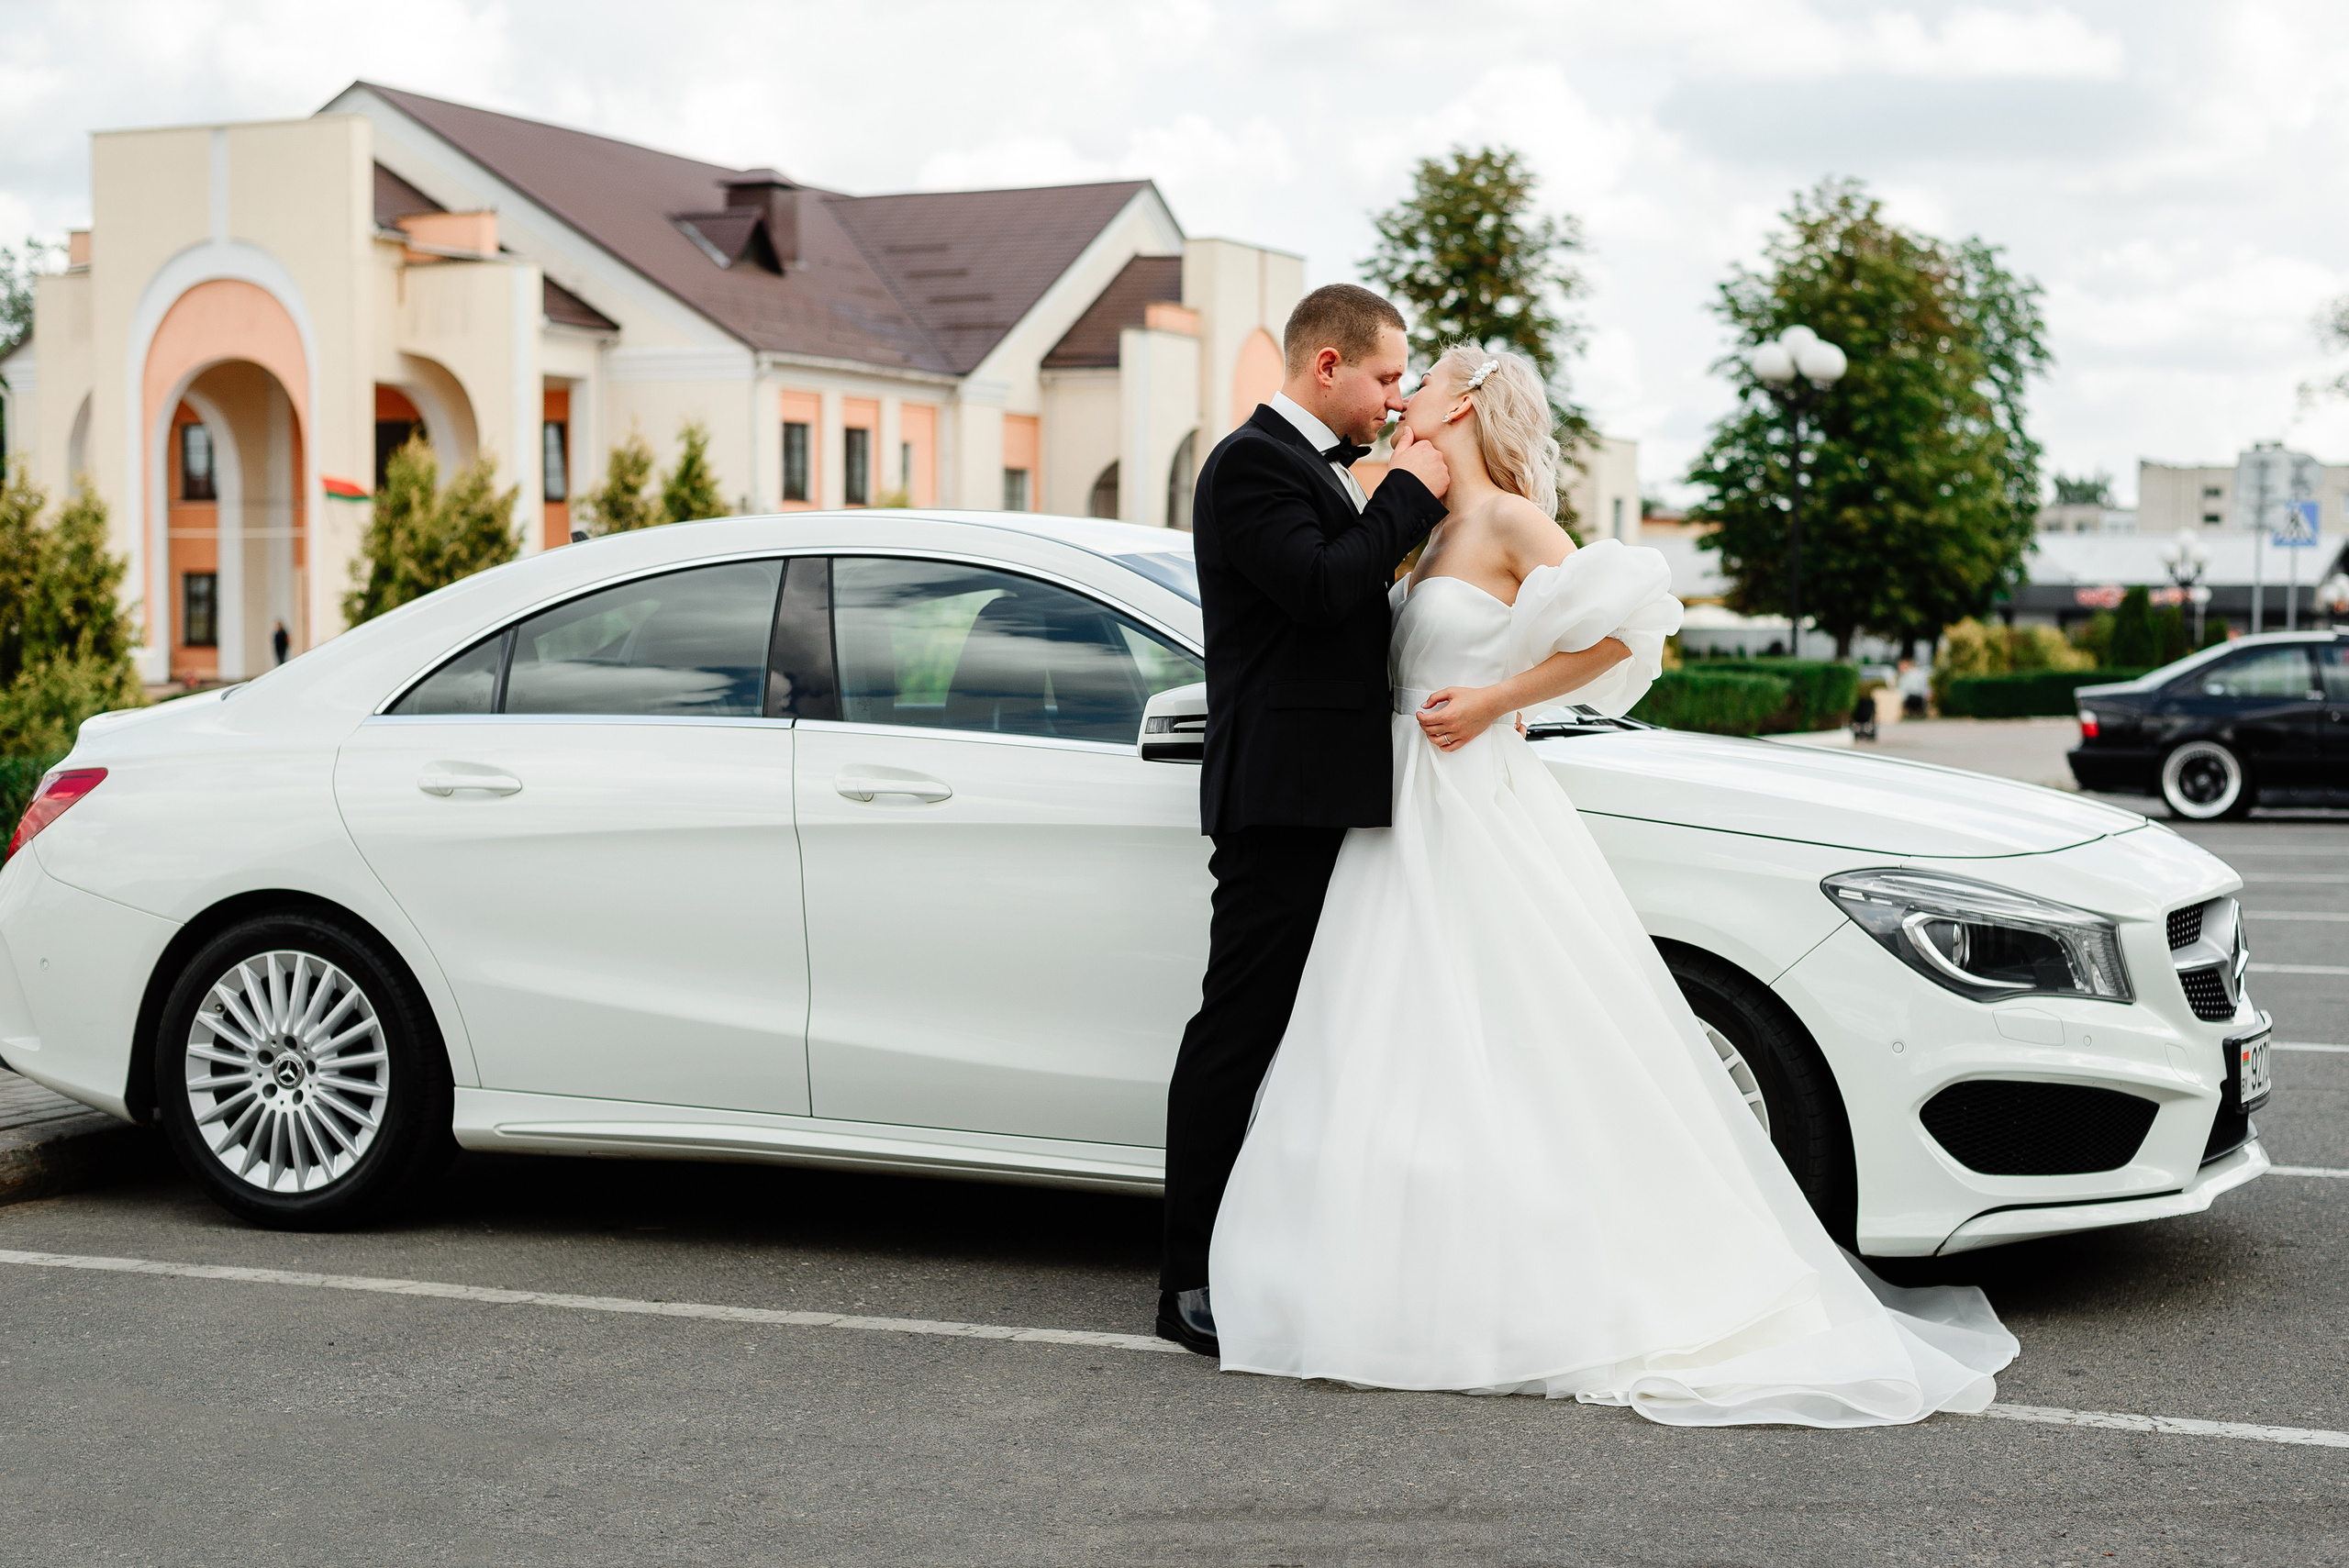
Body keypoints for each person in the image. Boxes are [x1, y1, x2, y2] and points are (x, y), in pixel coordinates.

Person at [1205, 344, 2018, 1427]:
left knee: (1517, 1030)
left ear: (1466, 404)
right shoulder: (1421, 522)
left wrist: (1501, 697)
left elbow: (1629, 630)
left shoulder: (1503, 521)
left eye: (1421, 384)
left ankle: (1562, 1282)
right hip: (1392, 809)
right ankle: (1413, 1272)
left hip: (1472, 795)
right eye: (1393, 381)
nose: (1402, 399)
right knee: (1394, 1040)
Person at [1158, 284, 1451, 1355]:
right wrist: (1410, 490)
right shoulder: (1249, 463)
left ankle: (1275, 1251)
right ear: (1325, 367)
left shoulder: (1308, 469)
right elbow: (1326, 588)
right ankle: (1184, 1275)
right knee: (1239, 1027)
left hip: (1329, 788)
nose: (1393, 396)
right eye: (1383, 376)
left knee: (1315, 1029)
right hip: (1278, 795)